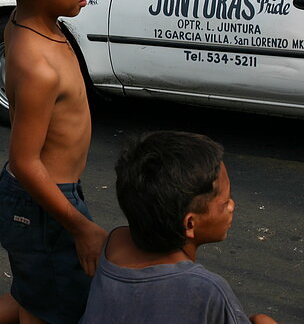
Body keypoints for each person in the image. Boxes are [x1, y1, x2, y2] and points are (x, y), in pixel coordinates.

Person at [0, 0, 105, 324]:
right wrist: (81, 227)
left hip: (45, 198)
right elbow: (24, 160)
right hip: (41, 202)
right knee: (55, 309)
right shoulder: (38, 67)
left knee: (40, 293)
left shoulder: (29, 20)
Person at [79, 131, 278, 324]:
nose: (232, 206)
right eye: (225, 203)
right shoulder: (206, 289)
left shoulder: (115, 241)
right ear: (190, 224)